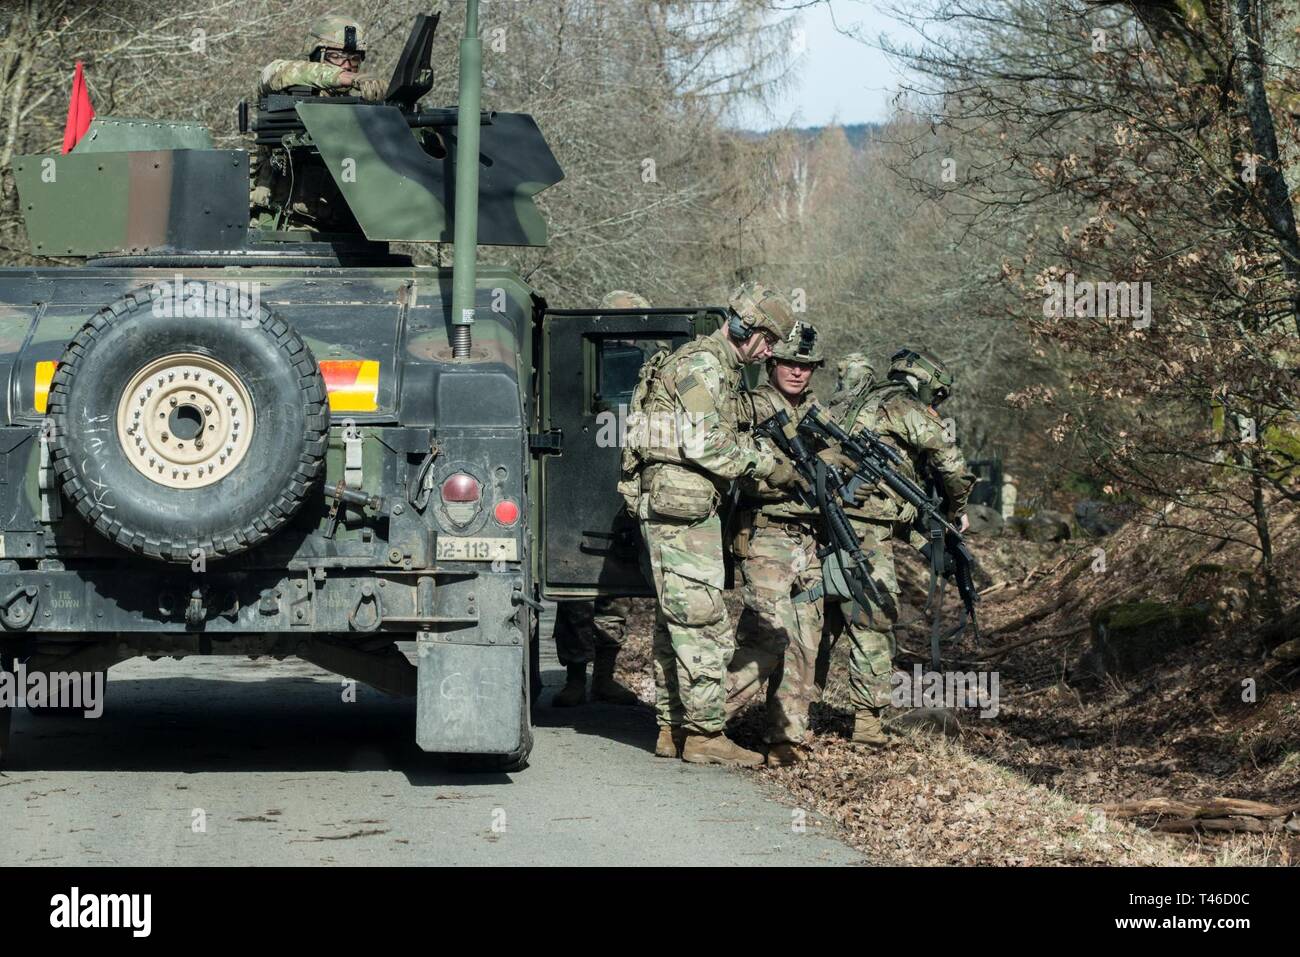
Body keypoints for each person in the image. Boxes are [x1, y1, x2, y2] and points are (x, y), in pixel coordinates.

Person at [623, 281, 798, 766]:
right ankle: (704, 736)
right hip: (682, 510)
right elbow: (707, 447)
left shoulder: (713, 365)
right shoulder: (702, 363)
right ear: (745, 327)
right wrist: (768, 465)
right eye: (767, 340)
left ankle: (671, 727)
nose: (768, 352)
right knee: (703, 621)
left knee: (673, 620)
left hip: (677, 506)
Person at [833, 348, 974, 746]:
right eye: (937, 395)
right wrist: (957, 511)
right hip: (865, 525)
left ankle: (784, 720)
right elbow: (953, 467)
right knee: (874, 616)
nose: (936, 403)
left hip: (825, 519)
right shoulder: (906, 406)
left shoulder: (855, 399)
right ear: (926, 384)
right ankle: (868, 724)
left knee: (820, 621)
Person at [723, 320, 830, 767]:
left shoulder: (822, 414)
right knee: (770, 636)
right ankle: (702, 719)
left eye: (806, 365)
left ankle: (786, 735)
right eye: (789, 362)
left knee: (807, 639)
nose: (797, 372)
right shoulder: (748, 407)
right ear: (771, 362)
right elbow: (734, 466)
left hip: (810, 540)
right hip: (766, 535)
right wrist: (785, 479)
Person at [552, 291, 654, 709]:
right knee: (577, 590)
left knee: (615, 587)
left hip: (623, 476)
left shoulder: (645, 366)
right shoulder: (582, 357)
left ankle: (604, 678)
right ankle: (576, 676)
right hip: (579, 480)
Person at [250, 14, 388, 227]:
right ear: (317, 56)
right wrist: (342, 78)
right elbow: (272, 72)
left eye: (354, 59)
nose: (346, 65)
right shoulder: (289, 85)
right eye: (337, 56)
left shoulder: (360, 104)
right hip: (277, 224)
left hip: (336, 227)